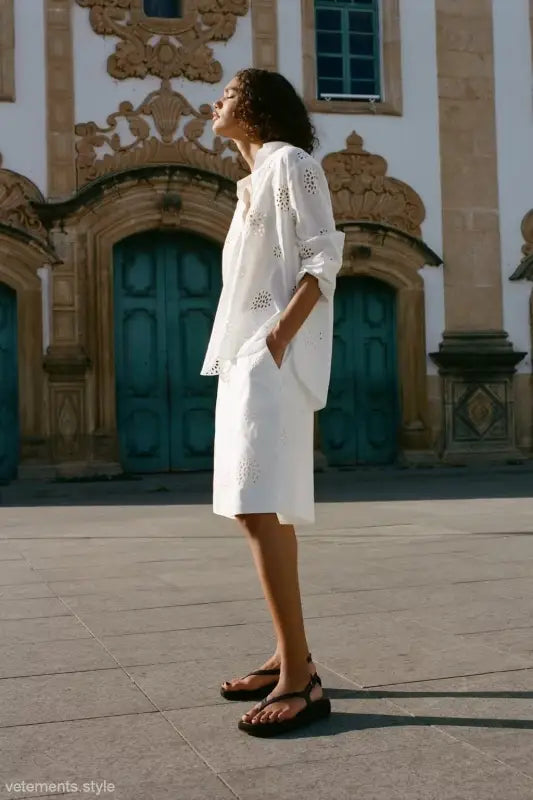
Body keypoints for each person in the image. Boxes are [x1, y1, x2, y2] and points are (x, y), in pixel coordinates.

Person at [200, 68, 345, 736]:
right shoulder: (255, 178)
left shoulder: (293, 163)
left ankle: (300, 682)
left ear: (255, 107)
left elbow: (323, 256)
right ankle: (290, 655)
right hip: (245, 359)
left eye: (226, 96)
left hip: (266, 357)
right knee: (247, 510)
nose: (214, 103)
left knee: (260, 506)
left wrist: (279, 337)